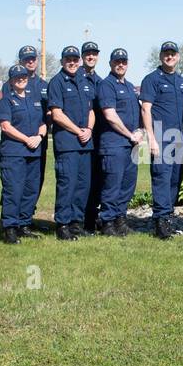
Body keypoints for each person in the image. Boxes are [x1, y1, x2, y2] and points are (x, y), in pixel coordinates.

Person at [140, 41, 183, 239]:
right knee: (162, 178)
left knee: (175, 179)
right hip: (161, 136)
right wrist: (151, 137)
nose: (170, 56)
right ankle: (161, 221)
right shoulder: (151, 79)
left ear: (178, 56)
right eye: (166, 53)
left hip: (179, 138)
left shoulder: (182, 81)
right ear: (161, 56)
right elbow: (146, 109)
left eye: (173, 53)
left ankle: (168, 216)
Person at [48, 45, 97, 240]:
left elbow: (91, 110)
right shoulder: (57, 82)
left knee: (82, 185)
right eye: (68, 59)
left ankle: (77, 223)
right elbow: (57, 114)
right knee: (67, 184)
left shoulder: (85, 81)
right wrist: (78, 131)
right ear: (62, 61)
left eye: (75, 59)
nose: (72, 62)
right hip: (67, 143)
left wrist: (89, 129)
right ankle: (63, 224)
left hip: (85, 143)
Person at [0, 64, 47, 243]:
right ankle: (10, 227)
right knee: (13, 190)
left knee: (30, 190)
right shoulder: (6, 101)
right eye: (17, 77)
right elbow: (6, 126)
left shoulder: (34, 99)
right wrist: (27, 139)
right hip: (14, 153)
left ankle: (24, 224)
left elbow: (43, 122)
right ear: (11, 81)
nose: (21, 79)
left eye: (24, 76)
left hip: (34, 152)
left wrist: (39, 136)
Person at [96, 48, 143, 235]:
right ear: (110, 64)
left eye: (123, 62)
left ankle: (120, 220)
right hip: (113, 144)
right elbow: (110, 115)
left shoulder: (130, 87)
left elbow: (138, 114)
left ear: (128, 64)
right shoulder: (106, 85)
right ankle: (107, 222)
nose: (120, 65)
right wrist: (130, 135)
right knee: (112, 185)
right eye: (117, 62)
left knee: (127, 185)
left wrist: (140, 131)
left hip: (130, 146)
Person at [19, 45, 50, 230]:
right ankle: (16, 221)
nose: (31, 62)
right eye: (26, 59)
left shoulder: (44, 86)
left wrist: (41, 134)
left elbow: (49, 114)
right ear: (21, 61)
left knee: (35, 181)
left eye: (33, 58)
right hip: (19, 143)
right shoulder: (13, 83)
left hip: (40, 141)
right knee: (18, 183)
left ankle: (27, 217)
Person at [80, 40, 104, 233]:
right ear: (82, 56)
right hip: (80, 138)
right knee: (80, 181)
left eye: (94, 54)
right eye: (88, 53)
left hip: (98, 139)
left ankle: (91, 218)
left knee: (96, 181)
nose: (91, 56)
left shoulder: (100, 81)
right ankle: (76, 220)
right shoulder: (76, 79)